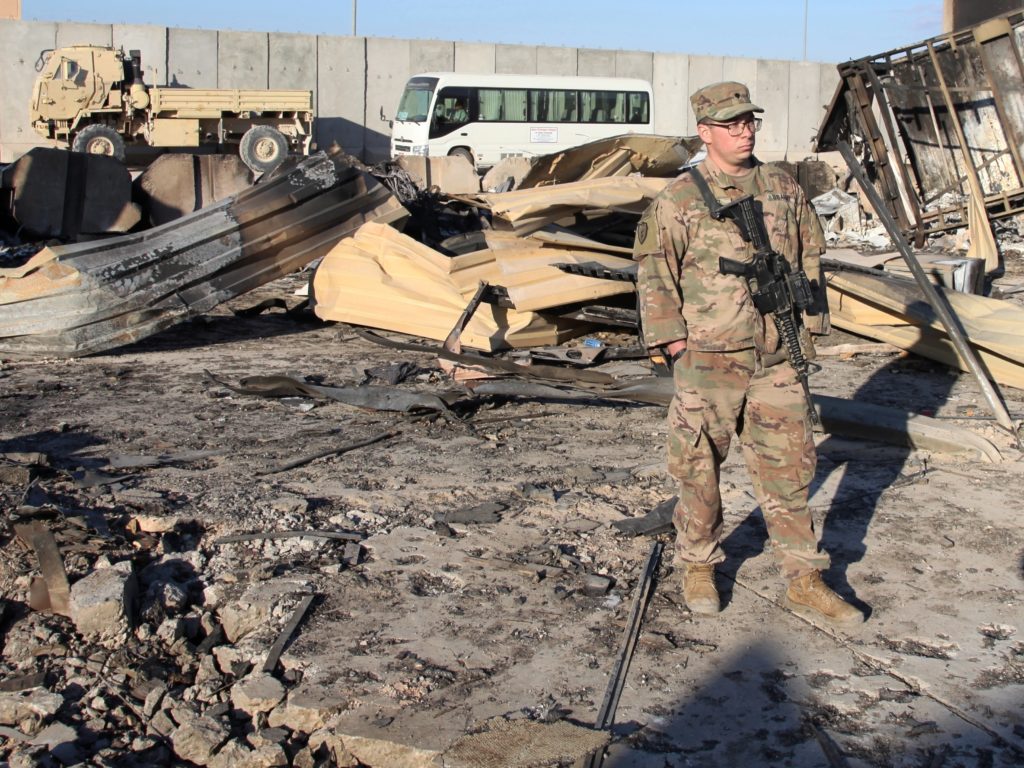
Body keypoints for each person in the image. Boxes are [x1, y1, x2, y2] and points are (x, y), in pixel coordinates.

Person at [632, 81, 864, 625]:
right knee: (698, 466)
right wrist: (672, 340)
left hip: (777, 357)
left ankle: (805, 577)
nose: (744, 131)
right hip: (709, 356)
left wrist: (810, 324)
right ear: (705, 132)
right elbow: (653, 271)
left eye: (749, 121)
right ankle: (699, 565)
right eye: (731, 124)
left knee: (790, 466)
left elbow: (810, 258)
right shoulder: (680, 199)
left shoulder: (783, 187)